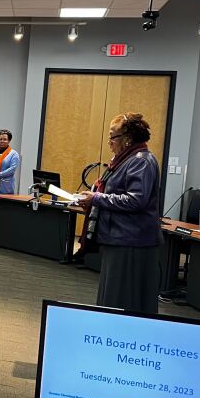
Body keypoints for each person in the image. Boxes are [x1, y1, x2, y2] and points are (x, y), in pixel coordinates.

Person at [77, 113, 162, 314]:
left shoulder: (141, 161)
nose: (109, 142)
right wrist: (93, 200)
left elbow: (135, 200)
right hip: (119, 238)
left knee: (123, 302)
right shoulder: (123, 160)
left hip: (132, 242)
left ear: (128, 138)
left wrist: (96, 199)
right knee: (113, 299)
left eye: (112, 137)